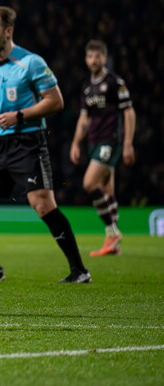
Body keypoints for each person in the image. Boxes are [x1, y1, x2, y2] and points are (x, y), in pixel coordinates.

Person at [0, 6, 90, 283]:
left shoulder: (31, 63)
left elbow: (56, 101)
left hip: (28, 142)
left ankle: (79, 270)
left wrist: (19, 116)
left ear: (8, 31)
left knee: (42, 205)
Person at [69, 40, 136, 256]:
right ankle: (112, 243)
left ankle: (112, 231)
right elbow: (84, 118)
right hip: (93, 142)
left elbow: (129, 112)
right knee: (107, 190)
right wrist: (76, 142)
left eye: (97, 56)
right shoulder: (87, 86)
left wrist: (127, 143)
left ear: (104, 58)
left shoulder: (115, 82)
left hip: (111, 140)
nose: (93, 60)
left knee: (89, 183)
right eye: (90, 56)